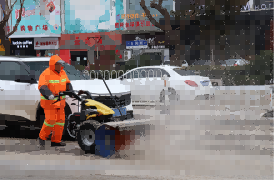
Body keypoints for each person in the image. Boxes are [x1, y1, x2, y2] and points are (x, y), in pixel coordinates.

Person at [38, 55, 73, 147]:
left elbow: (67, 83)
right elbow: (42, 87)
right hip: (50, 103)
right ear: (54, 65)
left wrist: (71, 91)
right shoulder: (46, 74)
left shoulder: (63, 72)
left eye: (61, 64)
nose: (61, 66)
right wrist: (49, 94)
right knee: (50, 121)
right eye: (59, 64)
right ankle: (42, 137)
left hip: (60, 103)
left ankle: (56, 141)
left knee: (60, 122)